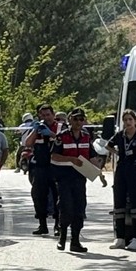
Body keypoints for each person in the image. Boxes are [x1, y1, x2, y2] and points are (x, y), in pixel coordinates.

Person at [51, 108, 94, 253]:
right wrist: (71, 160)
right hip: (64, 178)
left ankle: (75, 241)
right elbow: (54, 156)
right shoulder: (61, 136)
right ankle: (62, 237)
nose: (78, 122)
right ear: (69, 120)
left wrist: (98, 171)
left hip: (80, 179)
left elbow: (92, 156)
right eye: (75, 119)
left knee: (80, 209)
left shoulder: (86, 136)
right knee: (66, 207)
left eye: (81, 119)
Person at [108, 109, 136, 250]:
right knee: (119, 202)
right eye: (125, 120)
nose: (128, 122)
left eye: (130, 119)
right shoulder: (120, 135)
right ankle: (120, 238)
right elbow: (108, 145)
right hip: (122, 169)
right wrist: (117, 152)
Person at [24, 103, 60, 235]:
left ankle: (58, 225)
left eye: (48, 115)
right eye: (43, 115)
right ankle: (42, 225)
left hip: (56, 166)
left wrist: (50, 133)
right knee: (38, 196)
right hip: (40, 166)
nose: (46, 117)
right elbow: (27, 143)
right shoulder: (38, 128)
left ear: (53, 114)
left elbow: (63, 140)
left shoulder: (60, 126)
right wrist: (35, 130)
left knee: (58, 196)